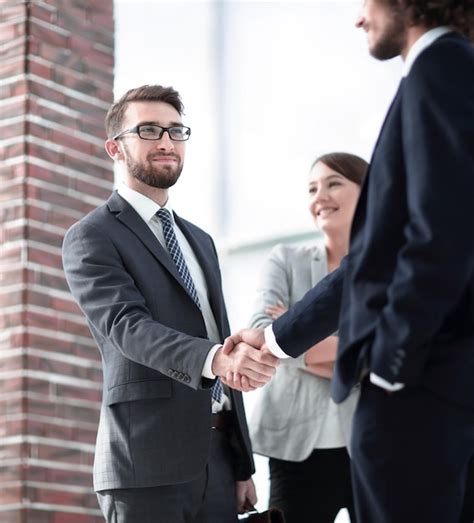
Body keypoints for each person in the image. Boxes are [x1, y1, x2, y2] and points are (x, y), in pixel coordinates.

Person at [224, 1, 474, 522]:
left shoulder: (441, 67)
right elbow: (370, 265)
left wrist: (389, 365)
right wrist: (272, 337)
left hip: (418, 390)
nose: (359, 19)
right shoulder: (442, 71)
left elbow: (442, 235)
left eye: (366, 3)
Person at [62, 84, 280, 523]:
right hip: (145, 463)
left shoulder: (200, 240)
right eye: (148, 130)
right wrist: (215, 360)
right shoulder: (92, 236)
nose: (166, 141)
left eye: (176, 131)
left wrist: (241, 465)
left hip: (217, 459)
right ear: (115, 148)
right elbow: (127, 327)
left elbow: (215, 335)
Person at [248, 152, 367, 523]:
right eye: (313, 188)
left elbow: (393, 350)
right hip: (294, 449)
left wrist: (295, 337)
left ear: (369, 193)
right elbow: (261, 336)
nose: (320, 196)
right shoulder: (285, 259)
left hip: (370, 446)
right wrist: (358, 354)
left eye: (334, 183)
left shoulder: (384, 267)